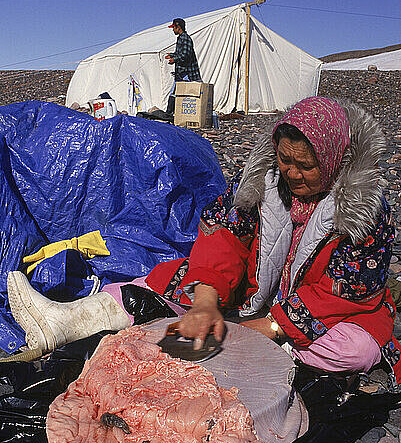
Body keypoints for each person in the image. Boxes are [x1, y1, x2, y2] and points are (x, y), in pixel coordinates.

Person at [6, 97, 401, 387]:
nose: (293, 173)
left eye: (306, 165)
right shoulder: (259, 184)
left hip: (321, 313)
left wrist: (270, 327)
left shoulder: (364, 211)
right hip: (251, 292)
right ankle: (67, 321)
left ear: (332, 160)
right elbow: (222, 238)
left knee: (356, 350)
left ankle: (260, 348)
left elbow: (344, 292)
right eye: (285, 159)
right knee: (164, 277)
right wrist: (208, 300)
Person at [165, 18, 201, 115]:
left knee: (187, 94)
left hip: (187, 72)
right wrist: (172, 55)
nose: (173, 30)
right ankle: (171, 114)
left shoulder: (185, 38)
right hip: (181, 72)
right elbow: (181, 53)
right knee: (176, 92)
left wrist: (174, 59)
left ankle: (171, 114)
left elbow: (186, 54)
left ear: (178, 27)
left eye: (174, 28)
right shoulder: (181, 38)